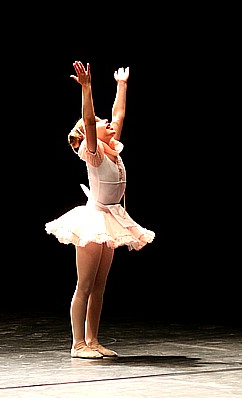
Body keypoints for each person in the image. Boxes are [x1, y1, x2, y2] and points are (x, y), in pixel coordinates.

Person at [45, 60, 155, 359]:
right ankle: (78, 344)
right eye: (100, 122)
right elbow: (89, 119)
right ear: (90, 133)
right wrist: (87, 88)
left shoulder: (112, 147)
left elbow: (118, 115)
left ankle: (93, 341)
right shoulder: (93, 153)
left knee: (100, 285)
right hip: (93, 219)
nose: (108, 122)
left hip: (111, 218)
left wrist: (122, 85)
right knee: (85, 284)